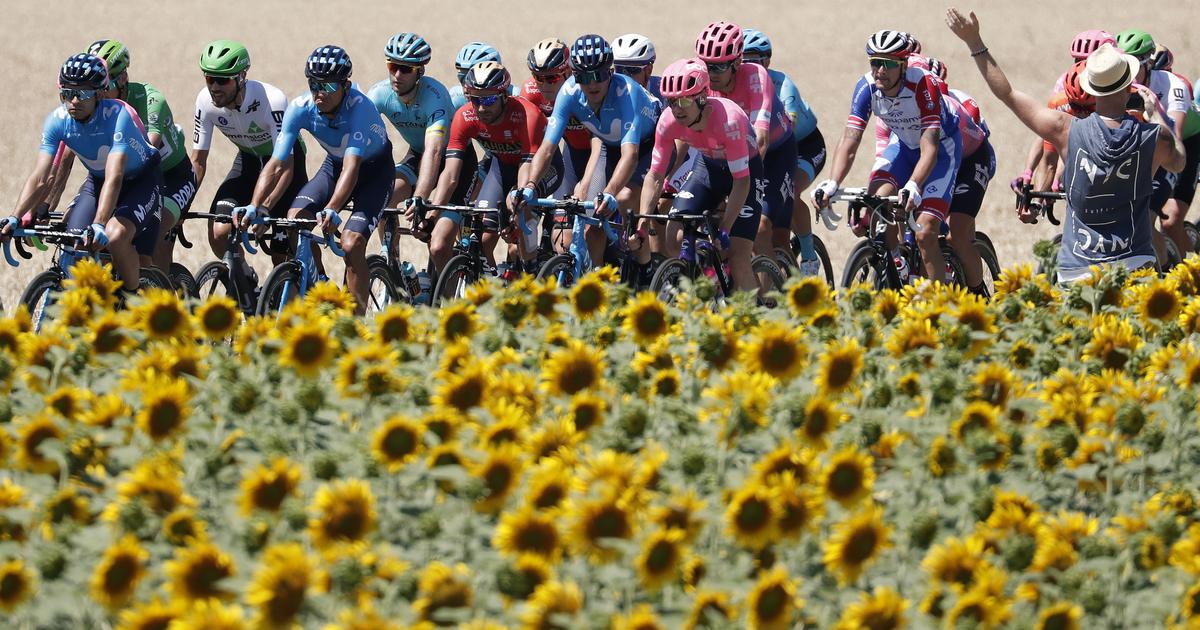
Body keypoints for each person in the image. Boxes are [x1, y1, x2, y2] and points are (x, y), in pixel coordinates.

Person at [946, 9, 1185, 282]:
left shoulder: (1066, 129)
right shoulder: (1151, 137)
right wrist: (1157, 115)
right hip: (1135, 267)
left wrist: (975, 42)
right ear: (1129, 87)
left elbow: (1008, 94)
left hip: (1077, 271)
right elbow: (1178, 160)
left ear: (1091, 89)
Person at [235, 45, 393, 314]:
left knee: (352, 243)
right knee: (296, 216)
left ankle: (353, 327)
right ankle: (321, 282)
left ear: (345, 85)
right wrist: (256, 204)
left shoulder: (360, 108)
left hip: (374, 172)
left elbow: (352, 168)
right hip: (335, 165)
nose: (320, 92)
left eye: (329, 87)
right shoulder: (300, 108)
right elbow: (276, 163)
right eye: (314, 84)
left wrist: (332, 208)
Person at [813, 29, 962, 284]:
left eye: (889, 63)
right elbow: (850, 138)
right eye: (875, 62)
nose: (880, 70)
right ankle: (897, 262)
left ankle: (940, 307)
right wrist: (833, 182)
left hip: (941, 150)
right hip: (903, 146)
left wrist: (914, 185)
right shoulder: (866, 86)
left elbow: (930, 149)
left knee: (925, 232)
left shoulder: (922, 84)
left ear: (903, 65)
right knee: (876, 202)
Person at [2, 54, 162, 288]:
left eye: (83, 93)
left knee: (115, 236)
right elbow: (40, 176)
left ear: (99, 94)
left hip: (141, 181)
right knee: (74, 242)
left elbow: (115, 175)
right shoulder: (57, 121)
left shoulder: (119, 116)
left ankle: (133, 296)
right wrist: (16, 216)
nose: (74, 101)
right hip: (98, 181)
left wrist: (99, 223)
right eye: (67, 93)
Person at [519, 34, 658, 271]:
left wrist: (610, 193)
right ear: (574, 75)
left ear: (611, 72)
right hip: (608, 146)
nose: (592, 84)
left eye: (599, 75)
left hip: (647, 146)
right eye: (584, 77)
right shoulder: (569, 92)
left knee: (622, 198)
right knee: (592, 224)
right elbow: (548, 147)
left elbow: (631, 155)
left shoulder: (627, 93)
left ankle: (645, 269)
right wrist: (530, 185)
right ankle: (598, 284)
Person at [639, 58, 761, 292]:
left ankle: (752, 318)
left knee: (738, 255)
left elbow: (742, 181)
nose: (677, 109)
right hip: (708, 168)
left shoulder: (730, 120)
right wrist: (643, 221)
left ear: (702, 98)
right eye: (672, 101)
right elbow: (655, 175)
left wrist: (725, 228)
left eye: (684, 100)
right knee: (674, 235)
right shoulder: (668, 121)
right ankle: (708, 287)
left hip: (745, 175)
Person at [431, 61, 561, 275]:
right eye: (475, 100)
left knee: (518, 209)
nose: (481, 108)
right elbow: (451, 174)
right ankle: (491, 290)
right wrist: (433, 211)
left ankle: (530, 271)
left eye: (489, 100)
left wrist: (518, 205)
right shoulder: (465, 117)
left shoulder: (527, 115)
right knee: (483, 233)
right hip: (502, 169)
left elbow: (527, 166)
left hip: (541, 168)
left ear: (503, 96)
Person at [190, 39, 308, 263]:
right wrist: (181, 206)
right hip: (248, 161)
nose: (214, 87)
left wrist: (264, 207)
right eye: (209, 78)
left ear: (241, 77)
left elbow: (285, 167)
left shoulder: (272, 100)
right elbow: (198, 161)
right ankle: (246, 284)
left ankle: (307, 281)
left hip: (284, 164)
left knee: (281, 253)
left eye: (222, 80)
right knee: (219, 233)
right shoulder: (204, 102)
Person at [88, 40, 195, 273]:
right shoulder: (97, 106)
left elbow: (149, 148)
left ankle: (162, 301)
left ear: (123, 79)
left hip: (173, 176)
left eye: (104, 87)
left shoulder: (151, 99)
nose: (98, 95)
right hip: (129, 177)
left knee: (151, 241)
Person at [697, 21, 798, 264]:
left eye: (719, 67)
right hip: (731, 155)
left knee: (761, 227)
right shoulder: (701, 81)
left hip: (773, 154)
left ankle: (775, 298)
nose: (711, 74)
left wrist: (741, 187)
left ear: (737, 64)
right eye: (706, 66)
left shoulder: (756, 77)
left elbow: (760, 140)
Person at [368, 32, 470, 260]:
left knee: (437, 242)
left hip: (453, 159)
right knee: (386, 196)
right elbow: (363, 139)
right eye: (392, 66)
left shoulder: (435, 96)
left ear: (419, 72)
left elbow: (434, 151)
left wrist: (420, 197)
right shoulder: (379, 94)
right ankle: (390, 266)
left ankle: (447, 291)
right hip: (418, 153)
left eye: (405, 69)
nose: (396, 74)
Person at [742, 27, 825, 276]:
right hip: (764, 148)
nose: (748, 67)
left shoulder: (782, 83)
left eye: (754, 61)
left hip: (803, 147)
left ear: (767, 61)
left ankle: (809, 256)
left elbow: (790, 124)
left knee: (791, 191)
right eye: (742, 61)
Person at [1117, 29, 1198, 259]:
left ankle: (1193, 279)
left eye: (1132, 65)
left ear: (1147, 63)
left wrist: (1152, 111)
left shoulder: (1174, 86)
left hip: (1182, 146)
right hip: (1148, 146)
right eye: (1122, 65)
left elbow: (1173, 141)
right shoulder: (1117, 83)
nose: (1127, 74)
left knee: (1169, 221)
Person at [926, 57, 996, 296]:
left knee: (958, 232)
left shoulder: (961, 105)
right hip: (938, 161)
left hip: (971, 161)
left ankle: (979, 293)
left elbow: (961, 157)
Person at [520, 38, 596, 253]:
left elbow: (600, 143)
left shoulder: (583, 92)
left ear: (567, 73)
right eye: (538, 77)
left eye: (551, 78)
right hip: (570, 156)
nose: (543, 85)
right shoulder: (531, 91)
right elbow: (535, 145)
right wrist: (528, 184)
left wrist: (586, 183)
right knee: (562, 239)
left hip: (601, 156)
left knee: (595, 229)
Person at [613, 33, 662, 103]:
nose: (624, 77)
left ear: (648, 70)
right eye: (619, 69)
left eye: (631, 70)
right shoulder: (604, 92)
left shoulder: (663, 92)